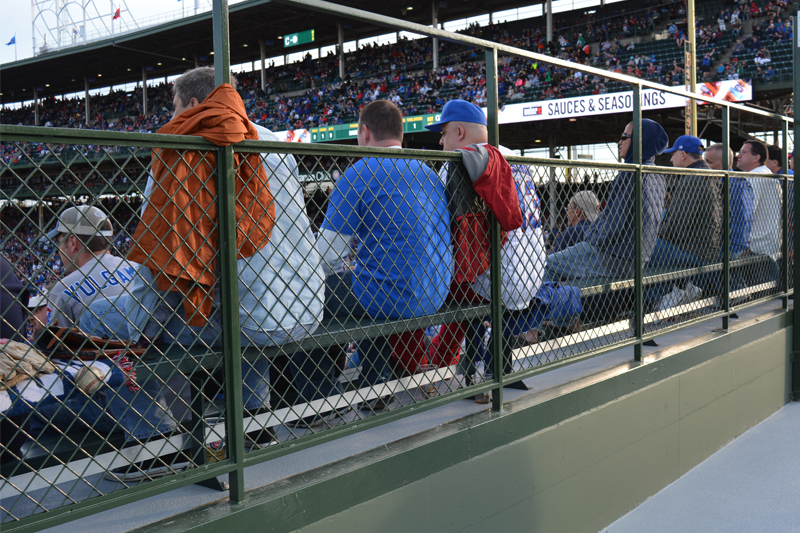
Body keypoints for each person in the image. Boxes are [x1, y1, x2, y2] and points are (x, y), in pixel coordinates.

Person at [80, 67, 325, 435]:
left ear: (195, 104)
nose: (172, 116)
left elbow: (156, 267)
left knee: (97, 317)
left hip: (245, 321)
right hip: (303, 306)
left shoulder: (185, 143)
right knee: (245, 295)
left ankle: (152, 440)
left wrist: (135, 323)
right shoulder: (274, 140)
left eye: (175, 106)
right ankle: (255, 425)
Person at [300, 99, 451, 417]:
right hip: (435, 292)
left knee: (309, 296)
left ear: (365, 132)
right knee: (371, 278)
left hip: (390, 295)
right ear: (400, 133)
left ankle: (318, 402)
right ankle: (376, 383)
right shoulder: (429, 171)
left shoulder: (358, 173)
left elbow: (325, 256)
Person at [26, 206, 178, 446]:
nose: (59, 251)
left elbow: (56, 358)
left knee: (32, 413)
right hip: (175, 392)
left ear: (73, 243)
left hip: (117, 403)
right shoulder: (138, 269)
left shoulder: (63, 288)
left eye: (59, 243)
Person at [422, 99, 546, 385]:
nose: (441, 142)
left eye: (443, 134)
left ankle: (436, 364)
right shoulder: (514, 156)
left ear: (460, 133)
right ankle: (484, 362)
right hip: (533, 271)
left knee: (434, 277)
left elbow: (444, 236)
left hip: (498, 280)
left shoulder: (457, 161)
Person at [546, 119, 668, 280]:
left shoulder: (630, 173)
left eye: (625, 136)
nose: (620, 141)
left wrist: (589, 236)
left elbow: (613, 225)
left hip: (612, 257)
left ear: (639, 141)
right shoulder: (658, 176)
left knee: (543, 267)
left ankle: (532, 306)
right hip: (637, 259)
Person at [647, 136, 721, 314]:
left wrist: (653, 235)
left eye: (673, 154)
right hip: (706, 247)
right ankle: (677, 292)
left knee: (641, 249)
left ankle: (663, 297)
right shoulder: (707, 174)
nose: (671, 159)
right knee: (652, 249)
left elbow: (675, 227)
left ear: (683, 155)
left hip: (693, 250)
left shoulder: (693, 178)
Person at [736, 139, 782, 285]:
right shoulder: (765, 174)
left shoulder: (754, 177)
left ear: (756, 157)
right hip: (767, 244)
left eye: (743, 152)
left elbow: (745, 213)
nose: (738, 156)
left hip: (755, 247)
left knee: (759, 293)